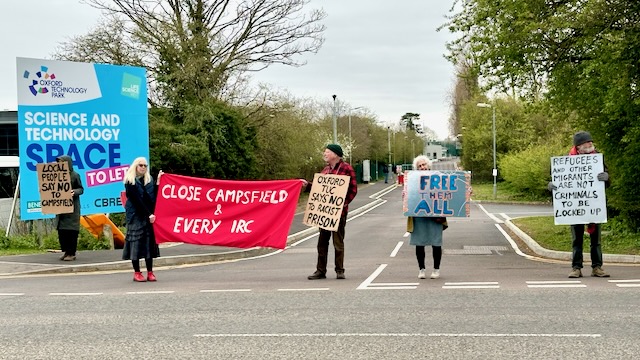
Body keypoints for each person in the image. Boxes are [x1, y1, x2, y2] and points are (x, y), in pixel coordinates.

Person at [548, 131, 610, 278]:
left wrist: (606, 178)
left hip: (594, 206)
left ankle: (597, 267)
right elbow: (559, 183)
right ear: (578, 147)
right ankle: (576, 268)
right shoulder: (566, 162)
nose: (590, 145)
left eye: (590, 142)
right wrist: (551, 186)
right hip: (574, 208)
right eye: (586, 143)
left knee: (596, 240)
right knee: (577, 239)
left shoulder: (597, 158)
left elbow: (605, 182)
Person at [302, 144, 358, 280]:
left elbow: (353, 189)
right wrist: (307, 185)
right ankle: (320, 270)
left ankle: (340, 270)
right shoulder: (325, 170)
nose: (325, 154)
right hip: (324, 213)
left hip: (339, 213)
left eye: (327, 152)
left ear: (336, 154)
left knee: (338, 243)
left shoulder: (346, 169)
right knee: (322, 243)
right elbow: (318, 188)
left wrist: (343, 204)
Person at [407, 155, 447, 279]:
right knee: (419, 243)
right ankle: (421, 269)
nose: (422, 167)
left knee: (436, 243)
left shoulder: (438, 178)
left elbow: (449, 191)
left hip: (435, 216)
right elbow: (408, 195)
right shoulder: (412, 180)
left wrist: (466, 191)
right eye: (419, 166)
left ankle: (436, 269)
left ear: (428, 166)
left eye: (424, 165)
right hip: (419, 215)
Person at [122, 157, 161, 282]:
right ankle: (137, 272)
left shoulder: (149, 181)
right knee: (136, 245)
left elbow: (154, 197)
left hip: (148, 217)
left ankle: (150, 272)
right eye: (141, 165)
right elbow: (136, 200)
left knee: (149, 245)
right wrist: (149, 214)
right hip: (135, 216)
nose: (143, 167)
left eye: (145, 165)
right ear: (135, 166)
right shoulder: (130, 181)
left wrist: (159, 183)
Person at [54, 155, 84, 261]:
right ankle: (66, 252)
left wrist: (74, 192)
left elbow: (81, 189)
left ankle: (72, 253)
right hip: (61, 208)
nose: (59, 165)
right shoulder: (56, 175)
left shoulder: (75, 175)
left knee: (71, 231)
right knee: (62, 231)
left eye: (62, 162)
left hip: (72, 208)